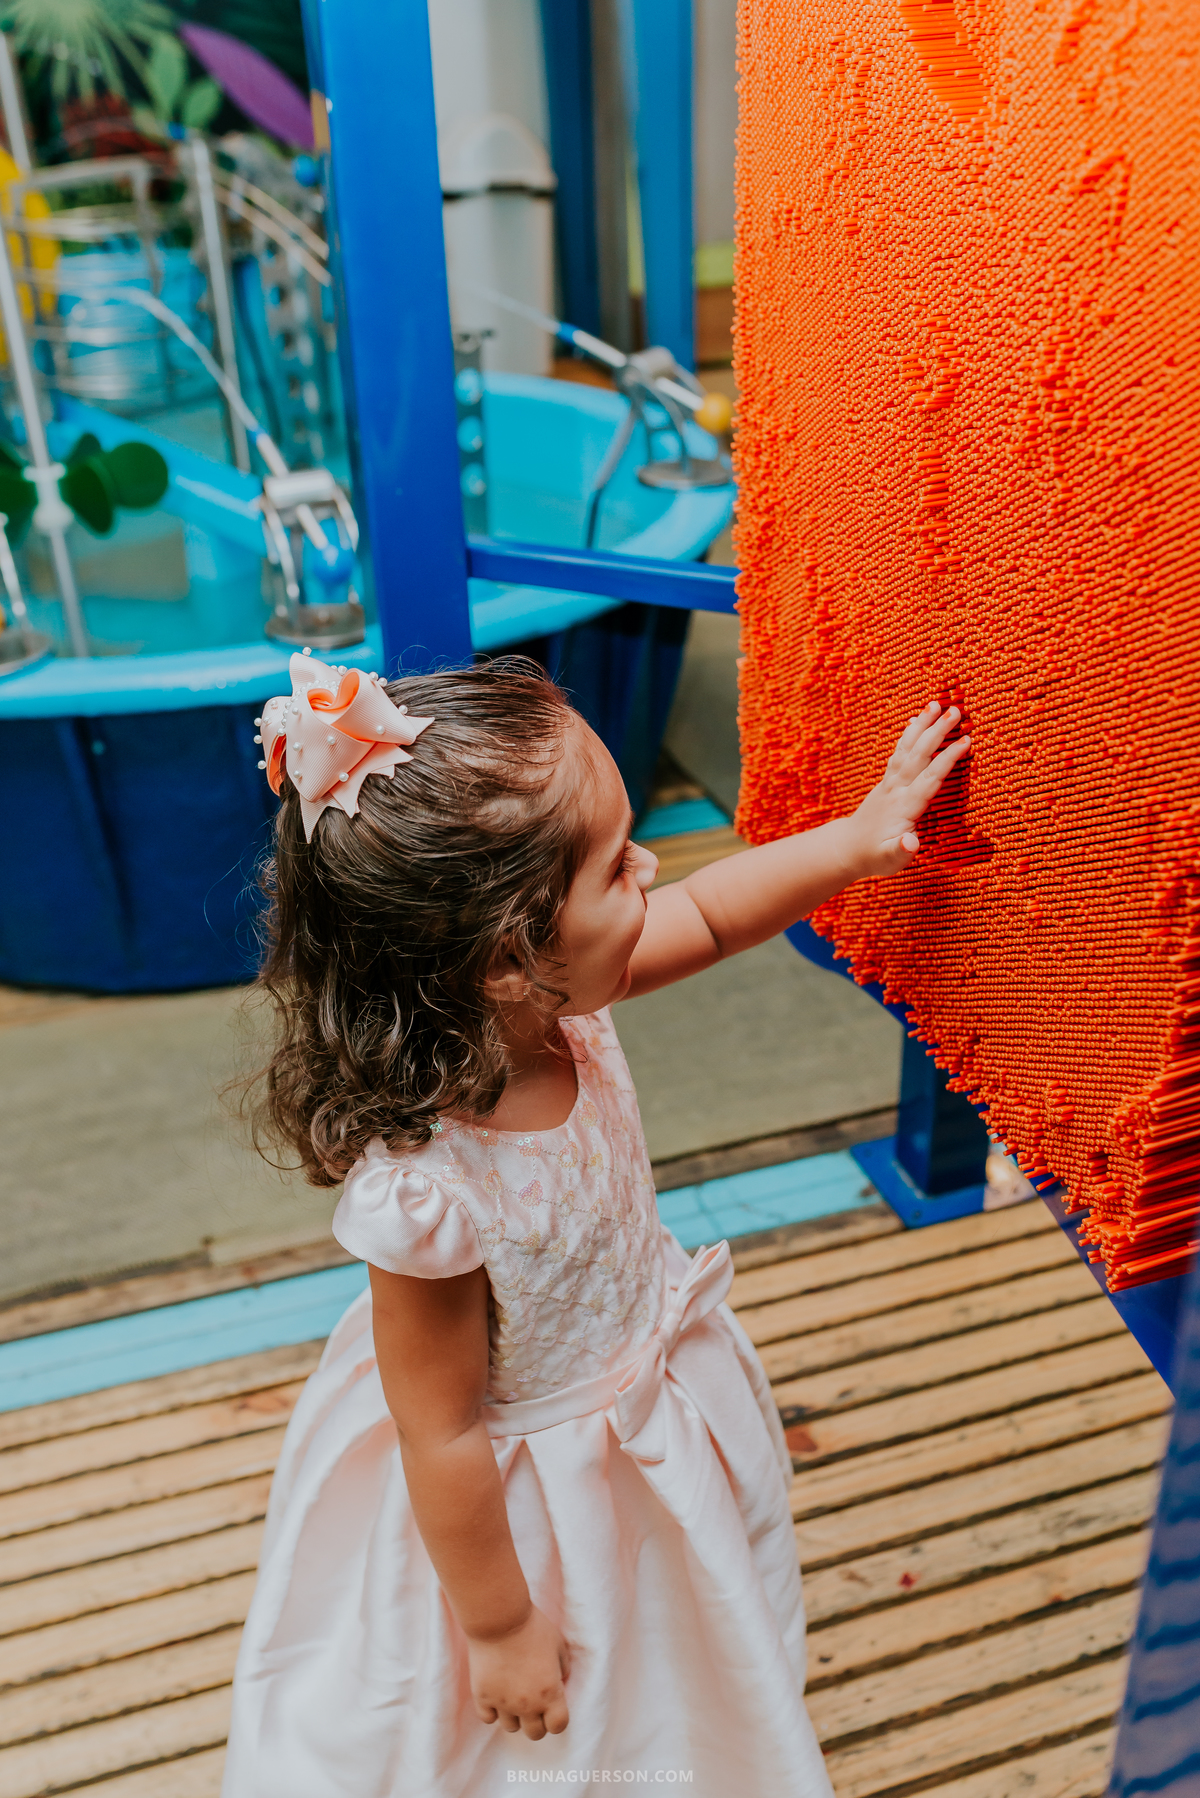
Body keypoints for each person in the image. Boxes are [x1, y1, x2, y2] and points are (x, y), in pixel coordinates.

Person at [222, 651, 970, 1798]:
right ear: (507, 960)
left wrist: (860, 840)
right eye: (619, 867)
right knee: (570, 1695)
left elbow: (715, 914)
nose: (655, 870)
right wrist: (498, 1625)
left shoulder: (563, 1006)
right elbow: (443, 1433)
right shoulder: (433, 1191)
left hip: (642, 1414)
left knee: (674, 1643)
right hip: (514, 1500)